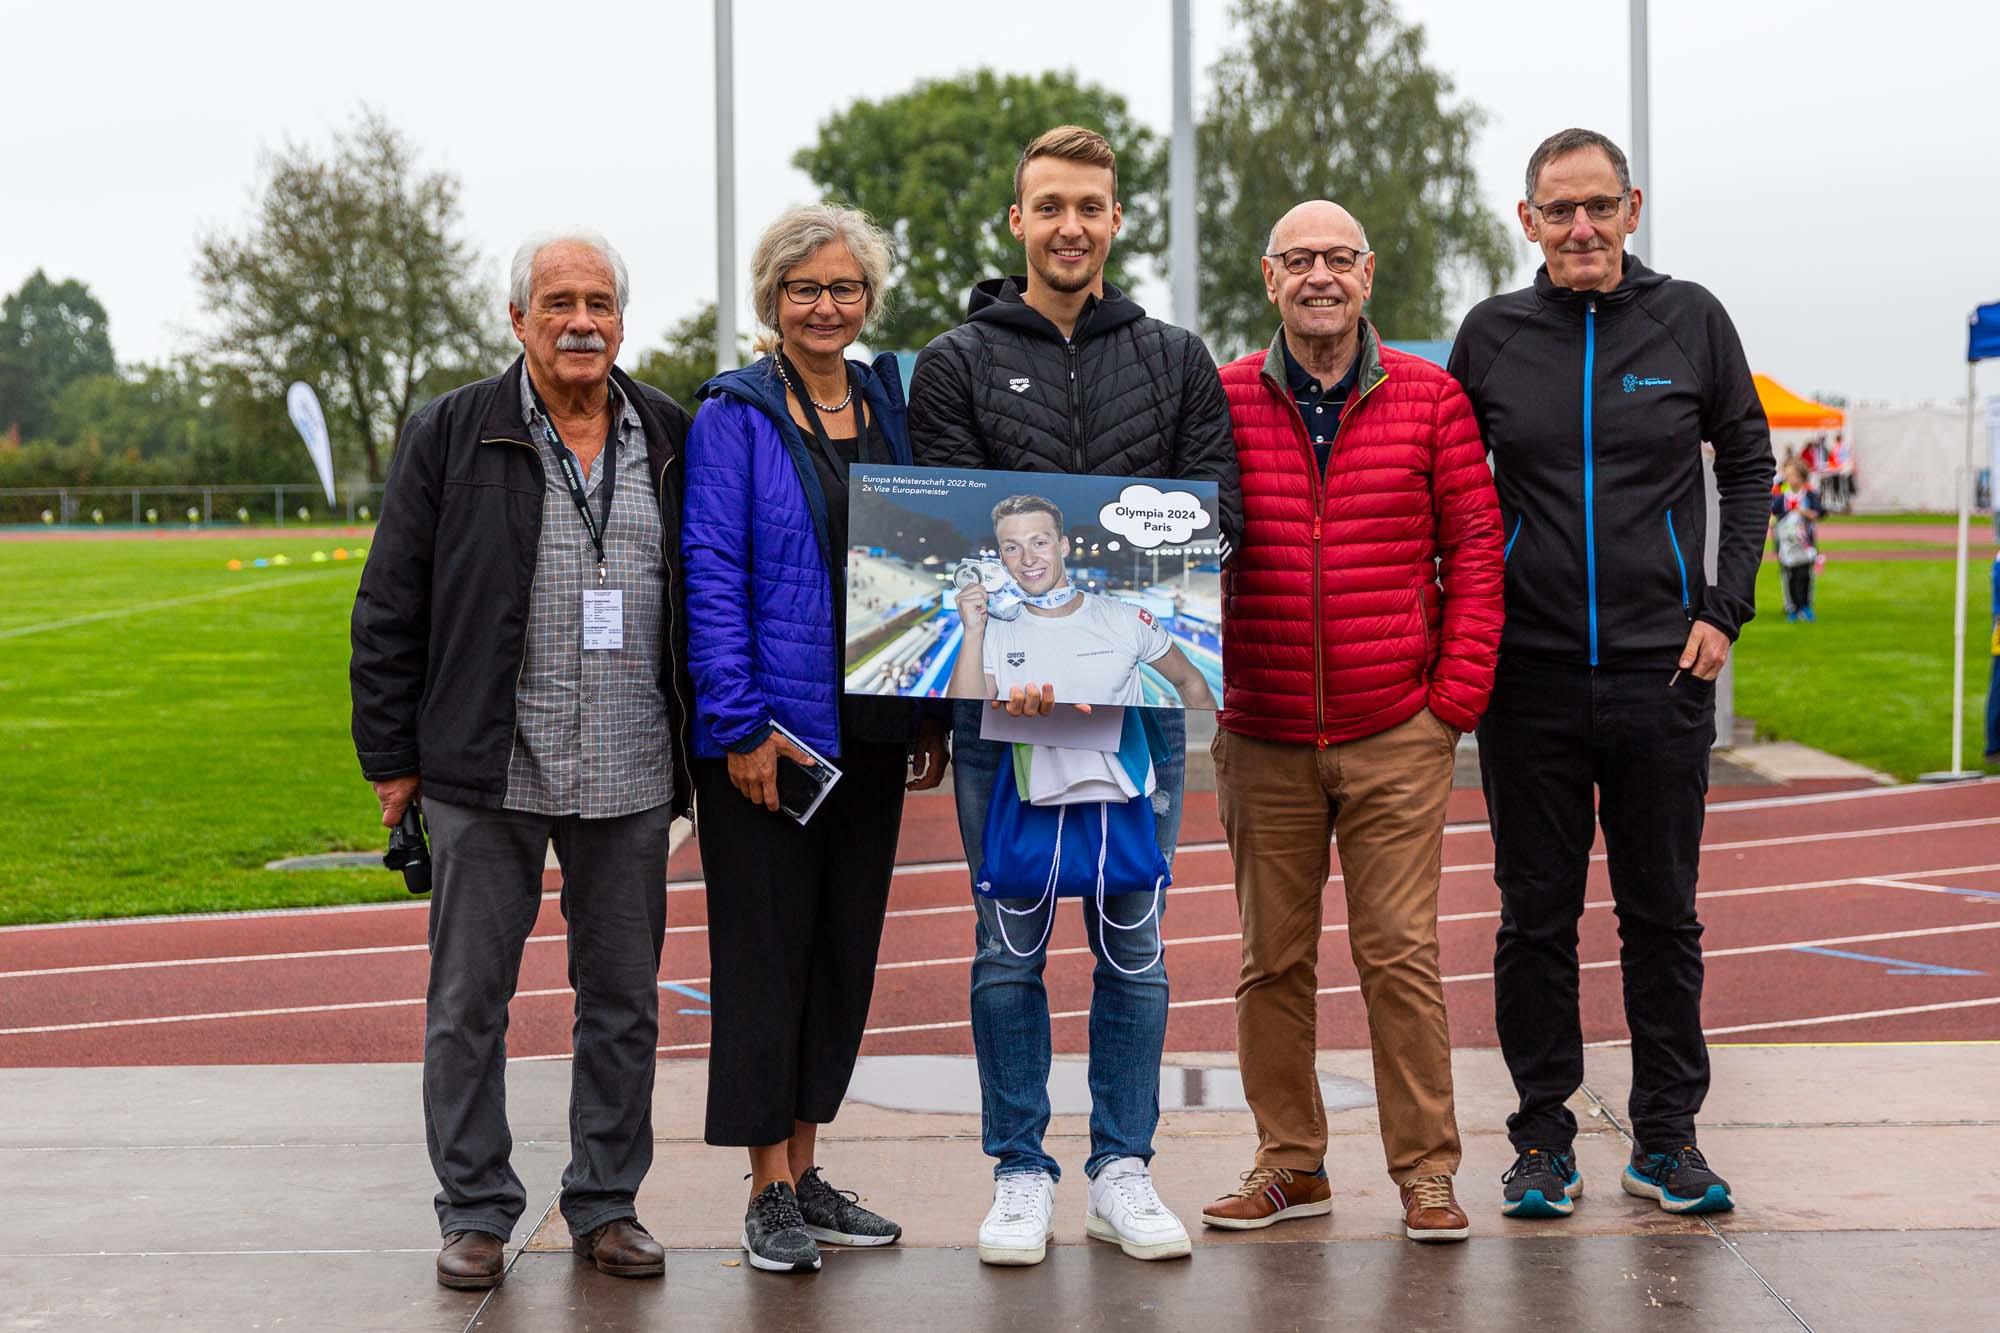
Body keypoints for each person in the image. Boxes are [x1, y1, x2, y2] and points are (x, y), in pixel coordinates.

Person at [909, 123, 1239, 1266]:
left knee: (1131, 942)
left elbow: (1215, 520)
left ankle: (1120, 1165)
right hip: (998, 713)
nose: (1068, 226)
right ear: (1017, 222)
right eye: (1047, 205)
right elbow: (952, 527)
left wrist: (1102, 586)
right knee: (1008, 944)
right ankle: (1017, 1169)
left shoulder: (1175, 359)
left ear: (1112, 221)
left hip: (1134, 705)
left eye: (1088, 207)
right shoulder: (952, 362)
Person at [351, 229, 692, 1289]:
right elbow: (389, 603)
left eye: (597, 302)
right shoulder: (451, 432)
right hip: (483, 766)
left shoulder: (674, 436)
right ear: (518, 320)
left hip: (633, 768)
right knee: (467, 1003)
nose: (579, 320)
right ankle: (475, 1209)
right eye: (557, 303)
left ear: (622, 322)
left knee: (623, 1000)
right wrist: (391, 756)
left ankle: (604, 1201)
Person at [1449, 129, 1771, 1219]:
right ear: (1526, 219)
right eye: (1557, 209)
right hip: (1526, 678)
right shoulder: (1490, 335)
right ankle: (1541, 1140)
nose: (1578, 227)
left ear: (1630, 209)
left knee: (1660, 917)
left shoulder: (1689, 320)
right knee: (1531, 919)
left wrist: (1723, 605)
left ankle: (1666, 1137)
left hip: (1660, 675)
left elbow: (1749, 457)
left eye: (1597, 205)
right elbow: (1445, 482)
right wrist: (1467, 614)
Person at [1201, 200, 1504, 1243]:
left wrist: (1448, 704)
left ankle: (1425, 1169)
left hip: (1393, 730)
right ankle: (1290, 1162)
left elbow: (1474, 551)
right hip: (1263, 728)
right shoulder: (1225, 395)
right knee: (1269, 961)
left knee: (1398, 954)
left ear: (1367, 276)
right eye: (1299, 259)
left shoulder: (1429, 396)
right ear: (1267, 274)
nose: (1318, 275)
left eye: (1337, 258)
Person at [681, 204, 950, 1274]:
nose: (825, 306)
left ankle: (804, 1165)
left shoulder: (889, 406)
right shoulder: (734, 415)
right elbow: (710, 574)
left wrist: (929, 705)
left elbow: (930, 555)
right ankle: (762, 1188)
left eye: (842, 288)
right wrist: (740, 727)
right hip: (772, 744)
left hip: (876, 731)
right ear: (771, 301)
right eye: (804, 290)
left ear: (866, 299)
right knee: (765, 960)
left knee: (840, 956)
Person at [946, 493, 1217, 710]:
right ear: (1002, 557)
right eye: (1012, 548)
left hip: (1122, 777)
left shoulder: (1128, 619)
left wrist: (1213, 742)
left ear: (1063, 546)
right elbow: (967, 715)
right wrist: (972, 631)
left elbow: (1189, 680)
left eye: (1039, 543)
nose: (1027, 559)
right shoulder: (993, 629)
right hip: (1031, 776)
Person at [1771, 458, 1826, 621]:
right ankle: (1792, 606)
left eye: (1793, 475)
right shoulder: (1782, 497)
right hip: (1787, 544)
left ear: (1801, 477)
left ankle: (1806, 605)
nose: (1789, 479)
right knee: (1790, 575)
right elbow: (1773, 514)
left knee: (1805, 575)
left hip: (1805, 543)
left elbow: (1820, 513)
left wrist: (1805, 512)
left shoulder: (1809, 495)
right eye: (1787, 476)